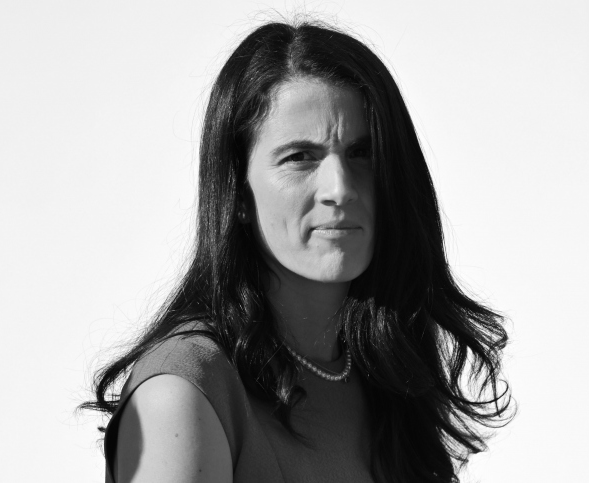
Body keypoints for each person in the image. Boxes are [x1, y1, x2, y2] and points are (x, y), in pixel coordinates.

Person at [83, 19, 512, 483]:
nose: (339, 188)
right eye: (300, 157)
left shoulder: (383, 377)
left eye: (362, 153)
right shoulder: (185, 390)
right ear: (237, 194)